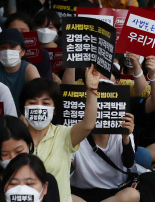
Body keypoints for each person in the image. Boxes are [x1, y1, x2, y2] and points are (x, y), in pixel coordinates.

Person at [19, 68, 99, 202]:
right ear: (23, 108)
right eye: (32, 103)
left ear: (55, 110)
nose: (39, 107)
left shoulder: (64, 135)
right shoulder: (16, 137)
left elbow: (88, 124)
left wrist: (92, 90)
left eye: (45, 103)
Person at [69, 113, 139, 202]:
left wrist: (125, 137)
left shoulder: (122, 134)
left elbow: (128, 163)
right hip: (80, 191)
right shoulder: (76, 135)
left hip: (114, 192)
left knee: (132, 195)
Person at [0, 28, 41, 111]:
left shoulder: (29, 69)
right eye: (3, 47)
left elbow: (39, 96)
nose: (7, 51)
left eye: (12, 47)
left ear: (22, 51)